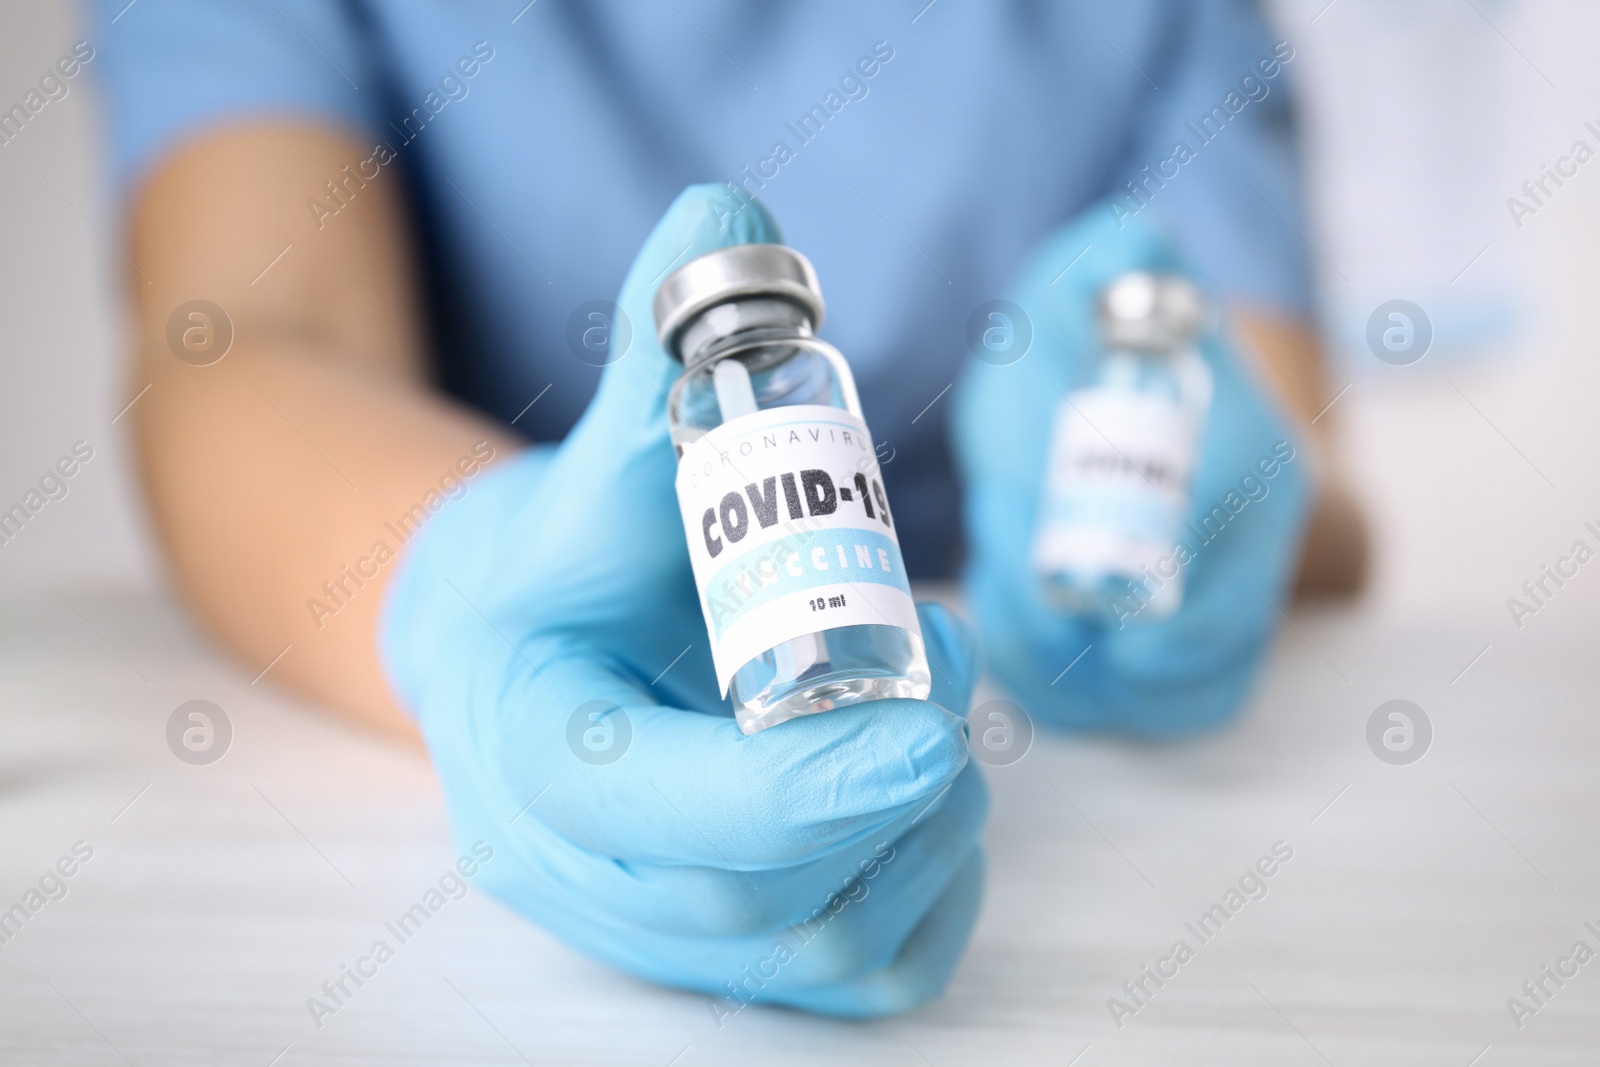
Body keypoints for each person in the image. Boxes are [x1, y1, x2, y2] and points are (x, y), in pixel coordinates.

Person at [93, 0, 1364, 1017]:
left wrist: (1192, 510)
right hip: (572, 688)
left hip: (1010, 748)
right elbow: (243, 335)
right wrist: (466, 582)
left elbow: (1303, 464)